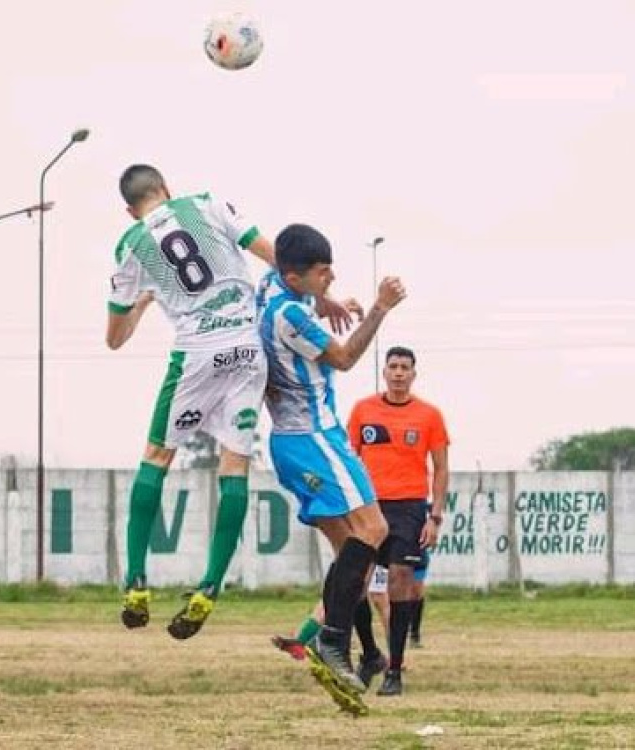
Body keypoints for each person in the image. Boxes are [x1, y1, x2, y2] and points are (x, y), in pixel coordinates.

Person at [106, 164, 275, 639]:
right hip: (246, 348)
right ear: (166, 188)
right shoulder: (206, 205)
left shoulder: (132, 244)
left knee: (157, 457)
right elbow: (272, 253)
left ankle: (136, 583)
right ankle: (210, 587)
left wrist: (143, 302)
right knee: (234, 466)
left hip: (196, 356)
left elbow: (114, 338)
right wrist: (319, 295)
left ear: (130, 209)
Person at [259, 223, 406, 714]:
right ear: (294, 276)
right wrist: (380, 308)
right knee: (374, 529)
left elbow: (281, 274)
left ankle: (363, 655)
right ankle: (332, 640)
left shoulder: (273, 289)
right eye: (323, 272)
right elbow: (342, 357)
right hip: (314, 437)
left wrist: (327, 302)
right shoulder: (290, 315)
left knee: (351, 555)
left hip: (291, 442)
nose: (331, 277)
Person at [346, 345, 450, 695]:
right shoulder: (363, 410)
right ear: (385, 372)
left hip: (409, 508)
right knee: (354, 582)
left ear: (414, 374)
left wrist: (435, 516)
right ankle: (369, 655)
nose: (399, 373)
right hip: (369, 507)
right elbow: (347, 459)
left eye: (405, 367)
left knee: (400, 581)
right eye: (393, 366)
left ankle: (394, 670)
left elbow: (441, 468)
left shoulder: (429, 415)